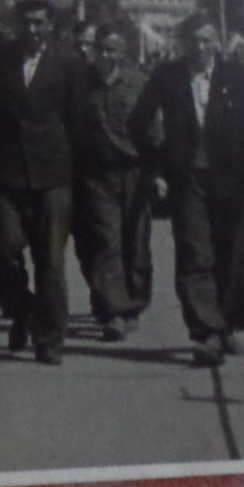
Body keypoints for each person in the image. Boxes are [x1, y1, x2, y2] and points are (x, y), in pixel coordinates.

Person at [129, 13, 244, 367]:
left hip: (233, 178)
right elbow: (138, 122)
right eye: (194, 41)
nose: (200, 48)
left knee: (230, 255)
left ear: (217, 43)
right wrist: (155, 166)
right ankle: (206, 332)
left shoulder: (235, 77)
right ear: (183, 43)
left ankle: (227, 324)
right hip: (187, 179)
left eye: (207, 40)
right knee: (194, 253)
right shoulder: (167, 77)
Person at [0, 0, 87, 365]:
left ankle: (50, 338)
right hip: (7, 172)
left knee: (51, 260)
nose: (32, 30)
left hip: (53, 174)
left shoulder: (69, 63)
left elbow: (77, 120)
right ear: (16, 24)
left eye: (39, 23)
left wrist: (74, 174)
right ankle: (22, 307)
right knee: (0, 250)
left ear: (51, 25)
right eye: (26, 23)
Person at [72, 24, 151, 341]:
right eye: (101, 49)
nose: (105, 56)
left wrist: (157, 174)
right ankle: (114, 311)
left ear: (124, 53)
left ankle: (134, 304)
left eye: (112, 50)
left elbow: (154, 132)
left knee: (137, 241)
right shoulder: (82, 84)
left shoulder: (139, 84)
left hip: (135, 170)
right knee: (106, 241)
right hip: (97, 174)